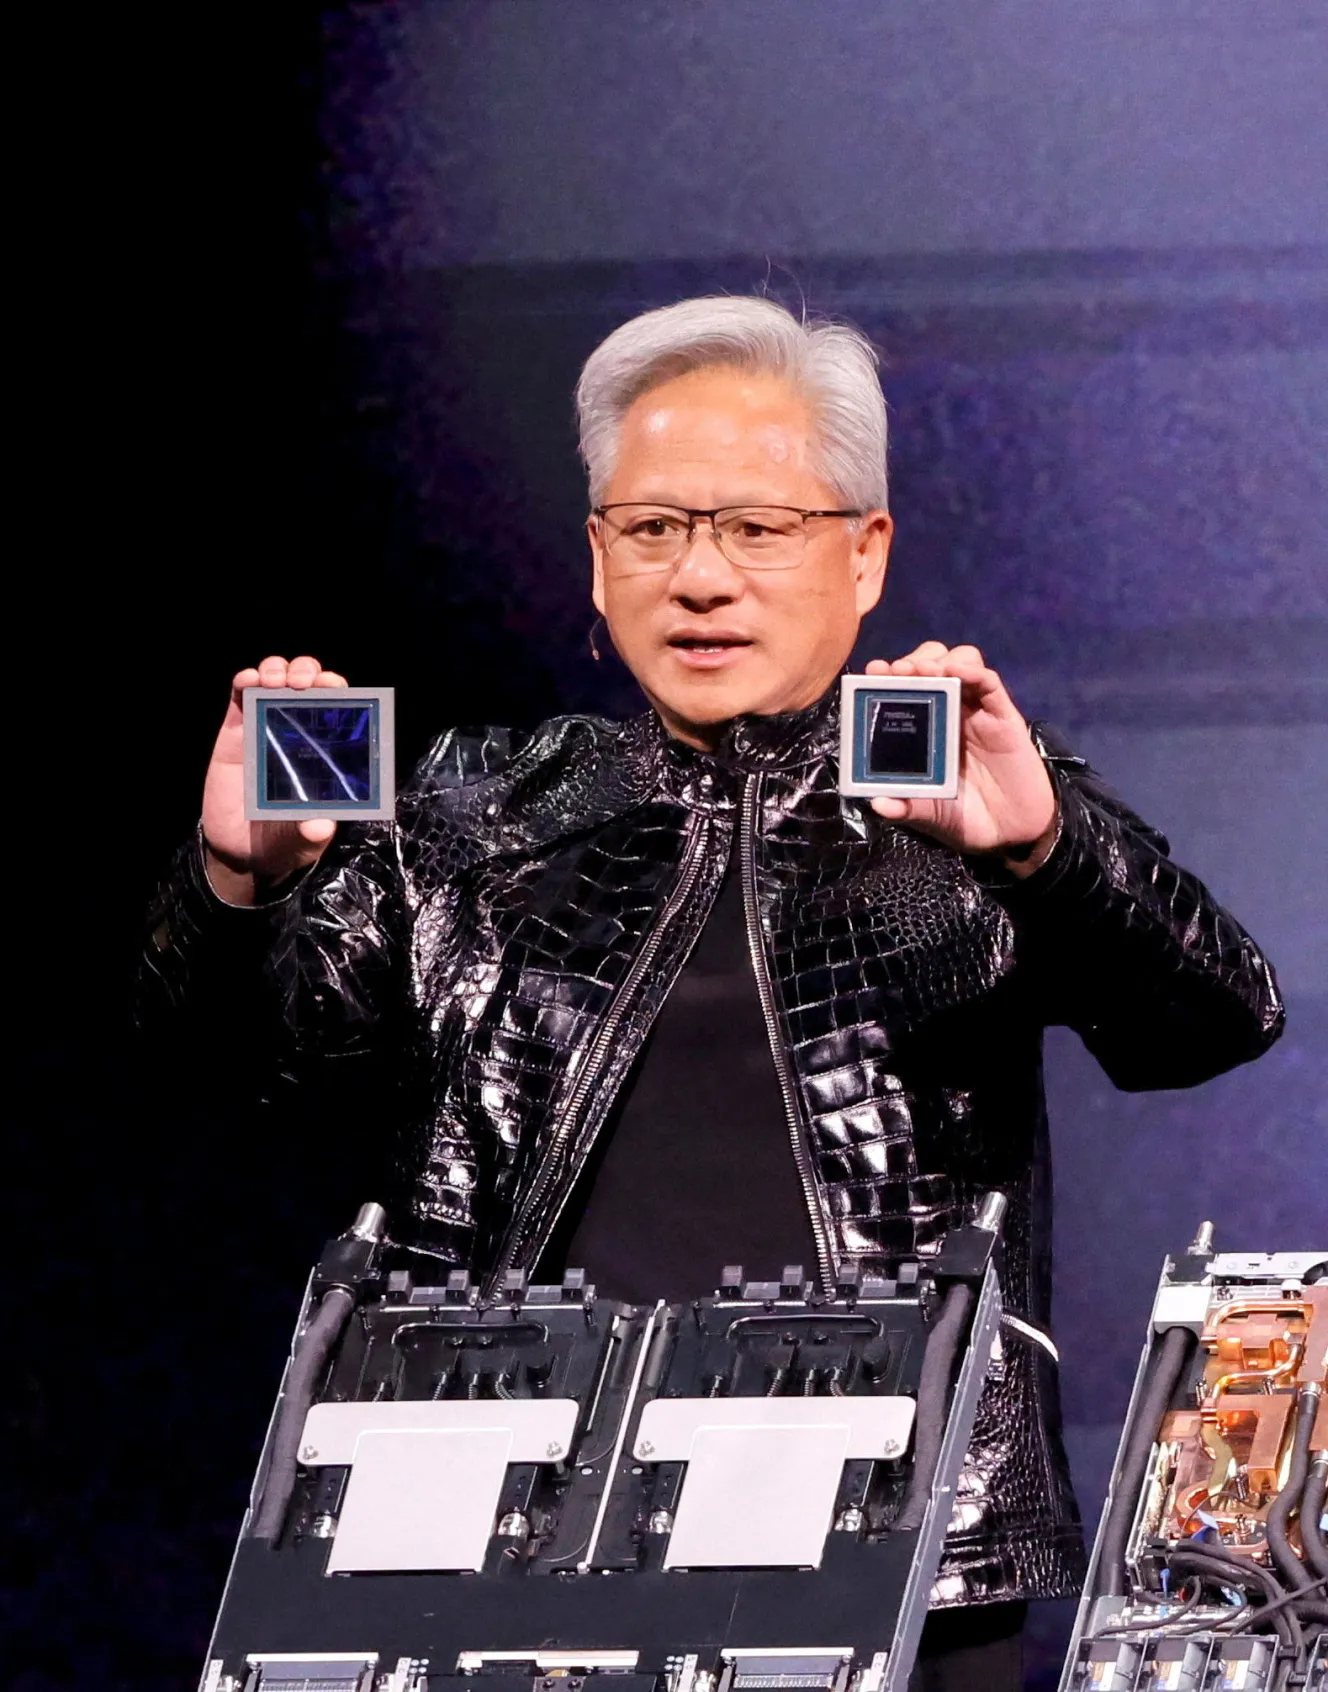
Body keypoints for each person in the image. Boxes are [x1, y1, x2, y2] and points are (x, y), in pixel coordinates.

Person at [141, 296, 1283, 1691]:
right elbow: (231, 1070)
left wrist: (1052, 855)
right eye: (656, 528)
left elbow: (1215, 1022)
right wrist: (234, 878)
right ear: (597, 559)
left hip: (900, 1542)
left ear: (864, 555)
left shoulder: (965, 790)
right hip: (503, 1533)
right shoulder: (469, 812)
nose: (702, 578)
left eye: (757, 528)